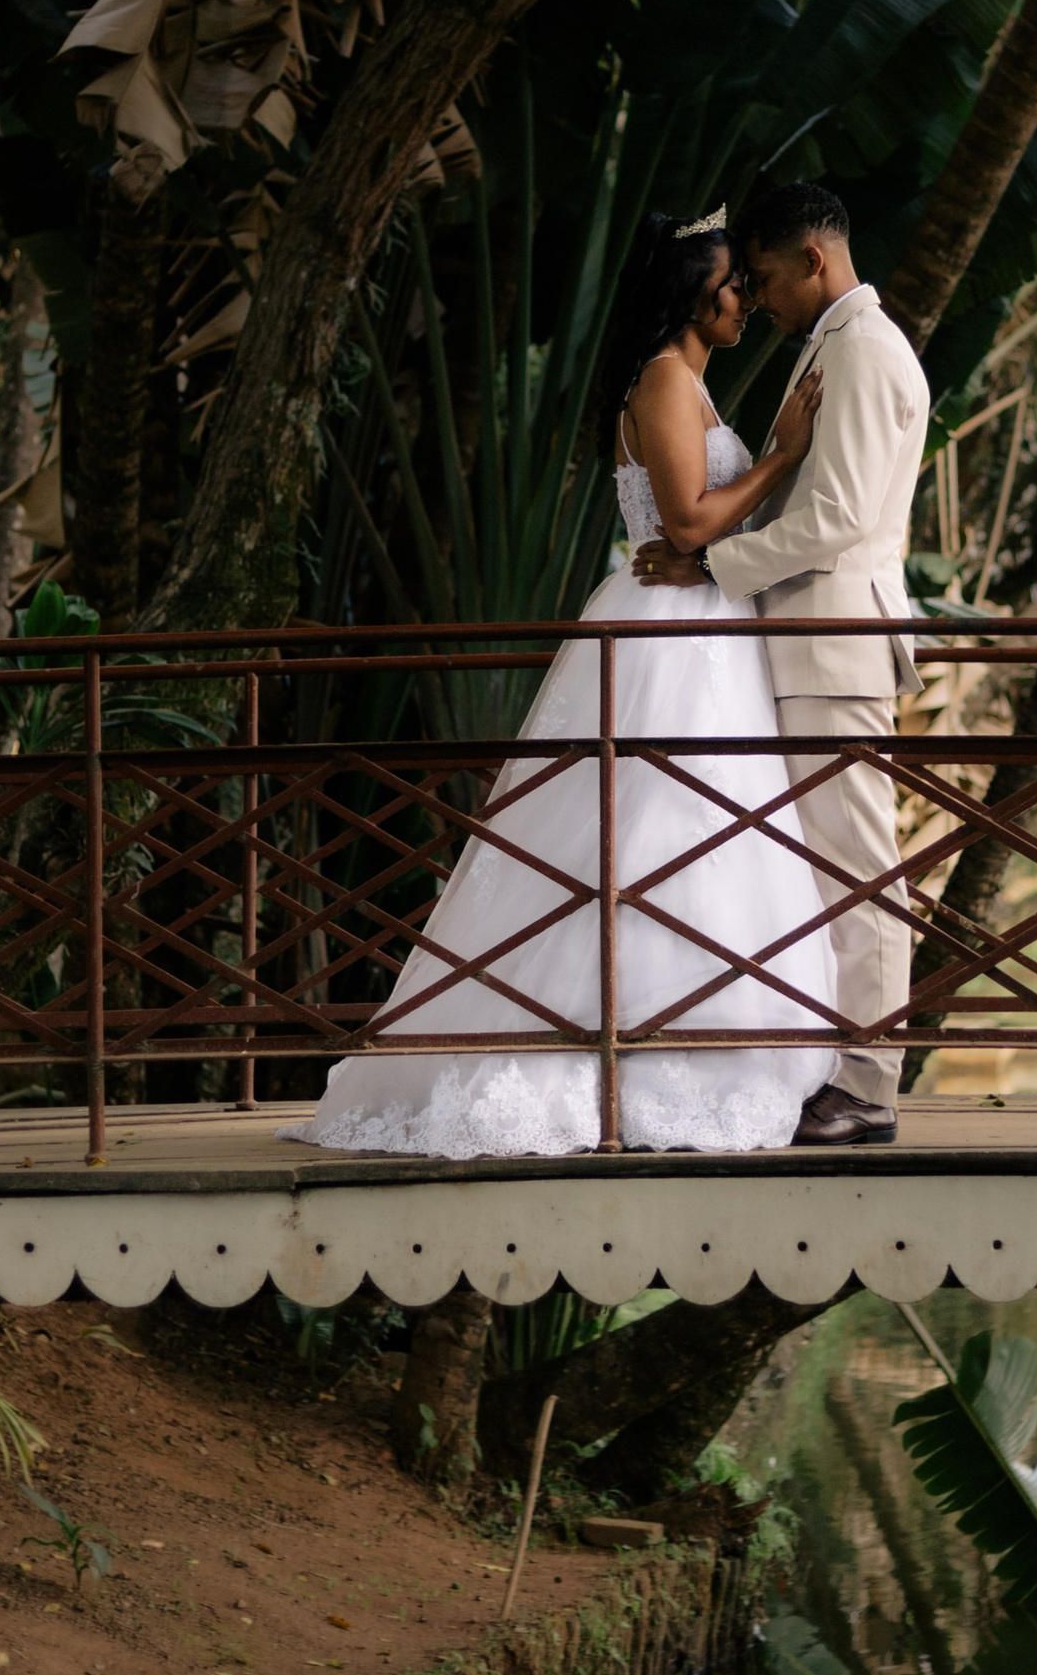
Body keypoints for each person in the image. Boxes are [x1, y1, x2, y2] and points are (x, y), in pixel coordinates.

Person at [310, 211, 837, 1158]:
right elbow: (686, 523)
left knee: (704, 833)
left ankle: (703, 1046)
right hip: (667, 632)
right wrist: (782, 458)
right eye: (731, 287)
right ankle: (611, 1050)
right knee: (645, 829)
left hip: (705, 625)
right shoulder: (665, 382)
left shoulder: (690, 384)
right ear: (691, 297)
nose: (745, 303)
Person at [634, 179, 928, 1147]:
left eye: (763, 277)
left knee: (855, 873)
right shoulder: (835, 347)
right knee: (819, 868)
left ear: (812, 259)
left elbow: (837, 518)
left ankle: (867, 1085)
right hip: (804, 637)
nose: (755, 300)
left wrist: (708, 562)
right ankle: (824, 1068)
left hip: (832, 640)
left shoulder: (865, 352)